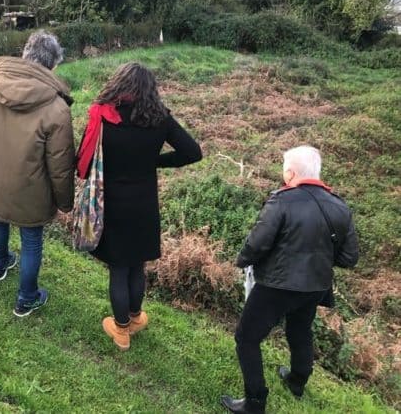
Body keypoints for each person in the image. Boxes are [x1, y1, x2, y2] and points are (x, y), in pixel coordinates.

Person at [221, 146, 359, 414]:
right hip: (315, 286)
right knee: (300, 330)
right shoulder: (340, 206)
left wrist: (241, 260)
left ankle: (255, 402)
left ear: (290, 172)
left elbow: (257, 243)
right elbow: (349, 258)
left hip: (276, 285)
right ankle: (297, 381)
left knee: (247, 337)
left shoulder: (282, 200)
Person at [76, 63, 201, 349]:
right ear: (150, 90)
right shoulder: (160, 118)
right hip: (144, 204)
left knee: (118, 268)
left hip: (112, 202)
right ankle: (134, 318)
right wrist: (155, 161)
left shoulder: (103, 116)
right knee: (137, 265)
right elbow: (192, 152)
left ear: (118, 84)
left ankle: (120, 331)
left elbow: (82, 158)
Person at [0, 31, 75, 317]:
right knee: (31, 240)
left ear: (26, 54)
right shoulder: (56, 107)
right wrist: (65, 202)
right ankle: (26, 297)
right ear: (53, 64)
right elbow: (61, 164)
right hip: (31, 188)